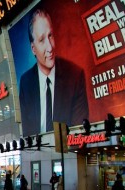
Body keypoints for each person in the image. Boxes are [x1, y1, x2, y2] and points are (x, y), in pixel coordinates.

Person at [18, 8, 89, 136]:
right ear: (33, 49)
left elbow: (80, 132)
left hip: (67, 152)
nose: (50, 47)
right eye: (41, 40)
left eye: (50, 36)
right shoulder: (26, 83)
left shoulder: (75, 76)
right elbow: (26, 132)